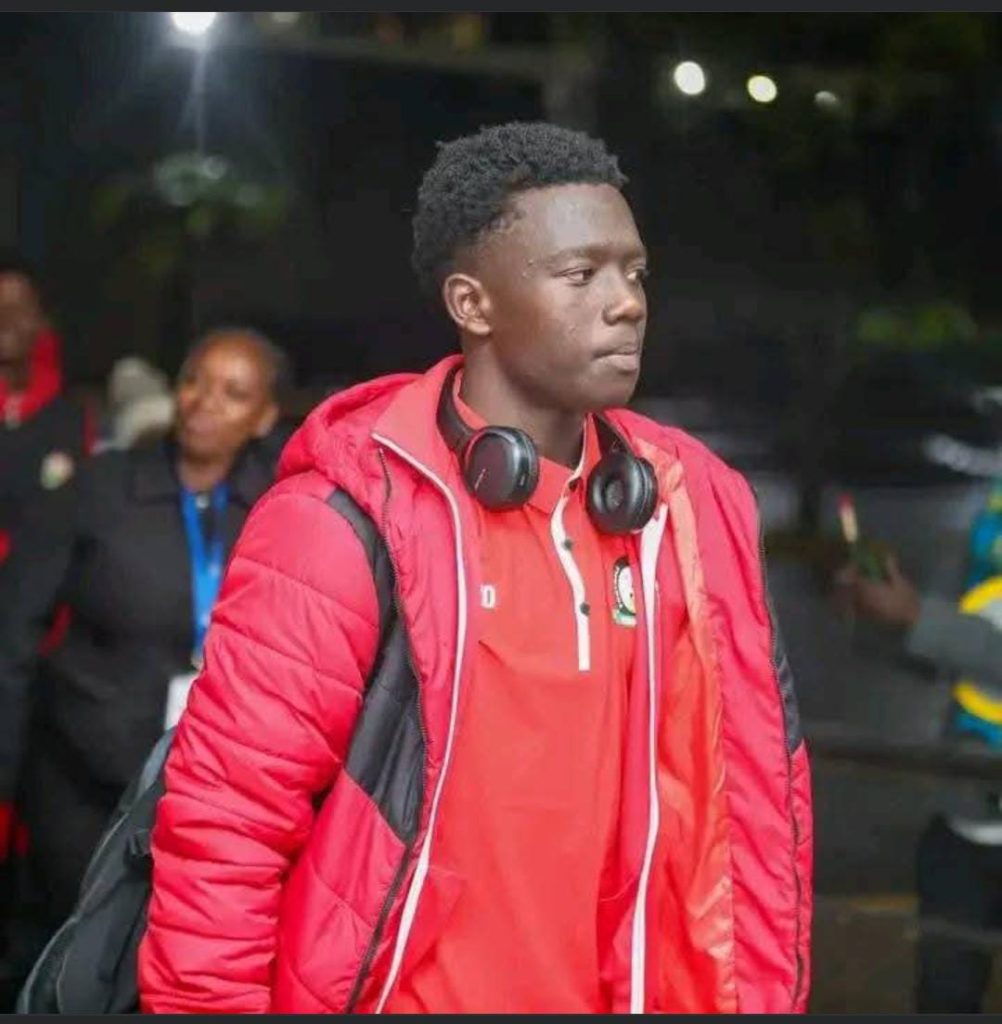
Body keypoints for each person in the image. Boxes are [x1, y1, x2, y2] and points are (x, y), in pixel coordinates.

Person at [139, 122, 813, 1015]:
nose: (627, 303)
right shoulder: (341, 525)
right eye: (582, 274)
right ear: (473, 303)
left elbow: (756, 821)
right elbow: (226, 833)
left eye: (635, 272)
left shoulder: (684, 517)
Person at [0, 327, 287, 999]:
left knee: (161, 972)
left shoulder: (280, 508)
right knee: (61, 965)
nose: (204, 402)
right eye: (194, 381)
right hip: (80, 786)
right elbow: (14, 634)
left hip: (206, 799)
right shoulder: (100, 487)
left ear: (265, 417)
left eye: (233, 393)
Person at [841, 482, 1002, 1014]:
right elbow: (936, 652)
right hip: (963, 820)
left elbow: (942, 630)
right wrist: (878, 610)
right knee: (944, 996)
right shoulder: (989, 521)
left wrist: (916, 616)